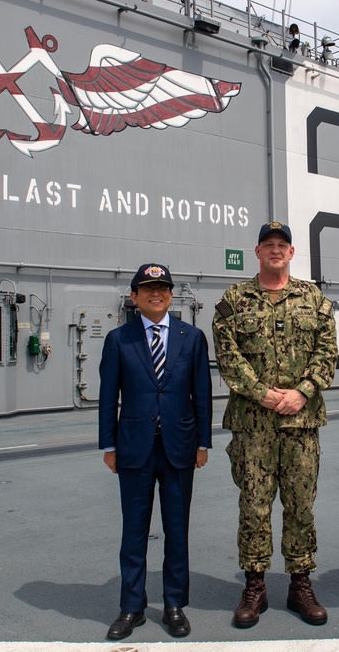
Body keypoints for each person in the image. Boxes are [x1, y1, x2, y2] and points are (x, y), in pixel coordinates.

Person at [212, 221, 337, 628]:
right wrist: (262, 394)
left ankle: (300, 583)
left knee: (301, 505)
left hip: (301, 424)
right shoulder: (235, 299)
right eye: (268, 245)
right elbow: (228, 357)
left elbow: (327, 352)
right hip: (253, 424)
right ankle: (255, 587)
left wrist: (301, 392)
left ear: (291, 252)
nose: (275, 250)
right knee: (254, 506)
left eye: (282, 245)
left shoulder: (313, 299)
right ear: (257, 251)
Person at [98, 263, 213, 640]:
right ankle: (132, 607)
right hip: (134, 448)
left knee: (177, 530)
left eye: (162, 287)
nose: (156, 293)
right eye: (147, 288)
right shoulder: (119, 339)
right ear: (134, 297)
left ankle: (175, 604)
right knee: (134, 531)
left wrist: (203, 441)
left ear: (170, 294)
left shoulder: (192, 337)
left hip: (180, 447)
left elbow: (202, 393)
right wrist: (109, 444)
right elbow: (107, 397)